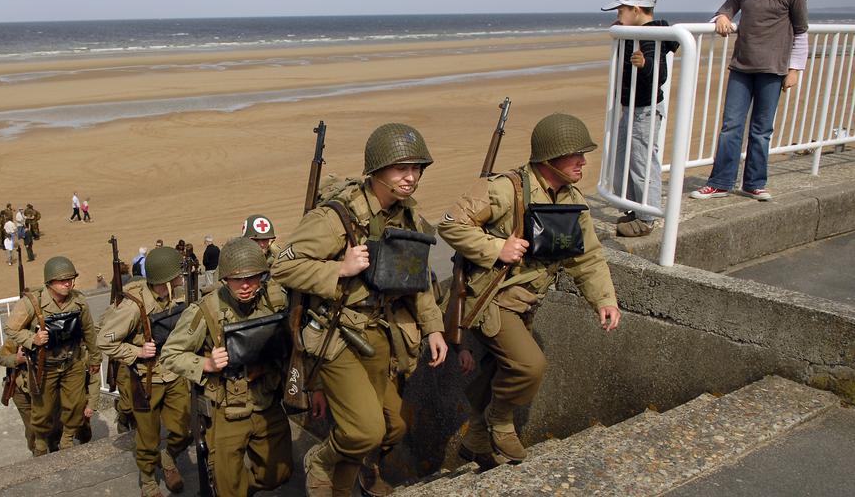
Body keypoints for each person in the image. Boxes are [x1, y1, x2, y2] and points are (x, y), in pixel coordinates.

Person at [271, 122, 448, 497]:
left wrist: (434, 328)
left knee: (396, 426)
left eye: (416, 168)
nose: (411, 177)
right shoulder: (336, 218)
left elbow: (416, 277)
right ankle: (320, 459)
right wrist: (339, 268)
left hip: (383, 332)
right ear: (378, 171)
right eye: (402, 168)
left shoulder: (408, 216)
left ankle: (356, 473)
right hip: (337, 334)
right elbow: (283, 266)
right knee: (365, 428)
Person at [438, 113, 621, 468]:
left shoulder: (570, 198)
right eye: (576, 155)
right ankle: (499, 420)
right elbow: (451, 224)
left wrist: (604, 299)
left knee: (495, 370)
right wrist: (497, 248)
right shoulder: (506, 189)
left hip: (527, 303)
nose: (584, 162)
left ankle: (476, 434)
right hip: (492, 300)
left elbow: (587, 256)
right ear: (551, 157)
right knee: (529, 365)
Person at [160, 237, 292, 497]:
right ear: (224, 279)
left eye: (252, 278)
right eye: (236, 279)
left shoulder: (275, 301)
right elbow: (170, 354)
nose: (245, 286)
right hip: (227, 409)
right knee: (228, 488)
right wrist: (206, 363)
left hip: (267, 402)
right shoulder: (206, 310)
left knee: (280, 472)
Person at [691, 0, 810, 202]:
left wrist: (795, 70)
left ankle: (754, 183)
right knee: (730, 126)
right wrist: (722, 17)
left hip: (773, 70)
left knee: (761, 129)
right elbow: (725, 10)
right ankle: (720, 182)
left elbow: (801, 33)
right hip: (742, 68)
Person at [98, 246, 192, 497]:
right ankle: (149, 480)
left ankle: (169, 457)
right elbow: (104, 340)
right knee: (148, 437)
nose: (181, 277)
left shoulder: (178, 294)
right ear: (166, 277)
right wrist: (137, 352)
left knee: (185, 429)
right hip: (145, 378)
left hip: (174, 372)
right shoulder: (133, 307)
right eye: (177, 273)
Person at [601, 0, 680, 237]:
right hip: (631, 106)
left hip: (645, 108)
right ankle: (633, 206)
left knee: (642, 160)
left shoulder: (650, 36)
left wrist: (644, 65)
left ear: (636, 9)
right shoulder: (633, 32)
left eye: (621, 10)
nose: (617, 16)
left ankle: (647, 216)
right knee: (625, 156)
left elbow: (659, 75)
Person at [4, 256, 102, 456]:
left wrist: (95, 358)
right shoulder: (33, 303)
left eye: (70, 279)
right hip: (45, 365)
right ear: (49, 282)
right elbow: (11, 329)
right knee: (43, 409)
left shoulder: (78, 301)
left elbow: (89, 331)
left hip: (72, 361)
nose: (68, 283)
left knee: (75, 404)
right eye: (62, 280)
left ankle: (67, 440)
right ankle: (40, 443)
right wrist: (33, 338)